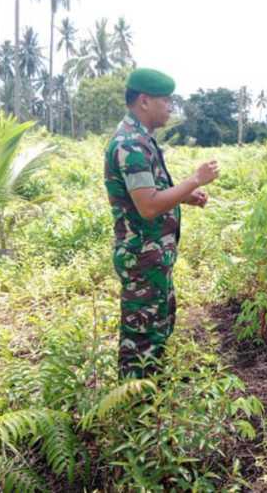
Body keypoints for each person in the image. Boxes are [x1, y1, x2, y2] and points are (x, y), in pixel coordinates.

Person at [104, 68, 220, 378]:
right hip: (142, 258)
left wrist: (186, 195)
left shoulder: (143, 140)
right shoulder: (130, 144)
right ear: (144, 101)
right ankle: (135, 409)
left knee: (158, 332)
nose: (171, 107)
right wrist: (195, 178)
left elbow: (150, 193)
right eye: (166, 101)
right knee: (141, 341)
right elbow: (149, 205)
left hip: (154, 257)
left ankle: (151, 402)